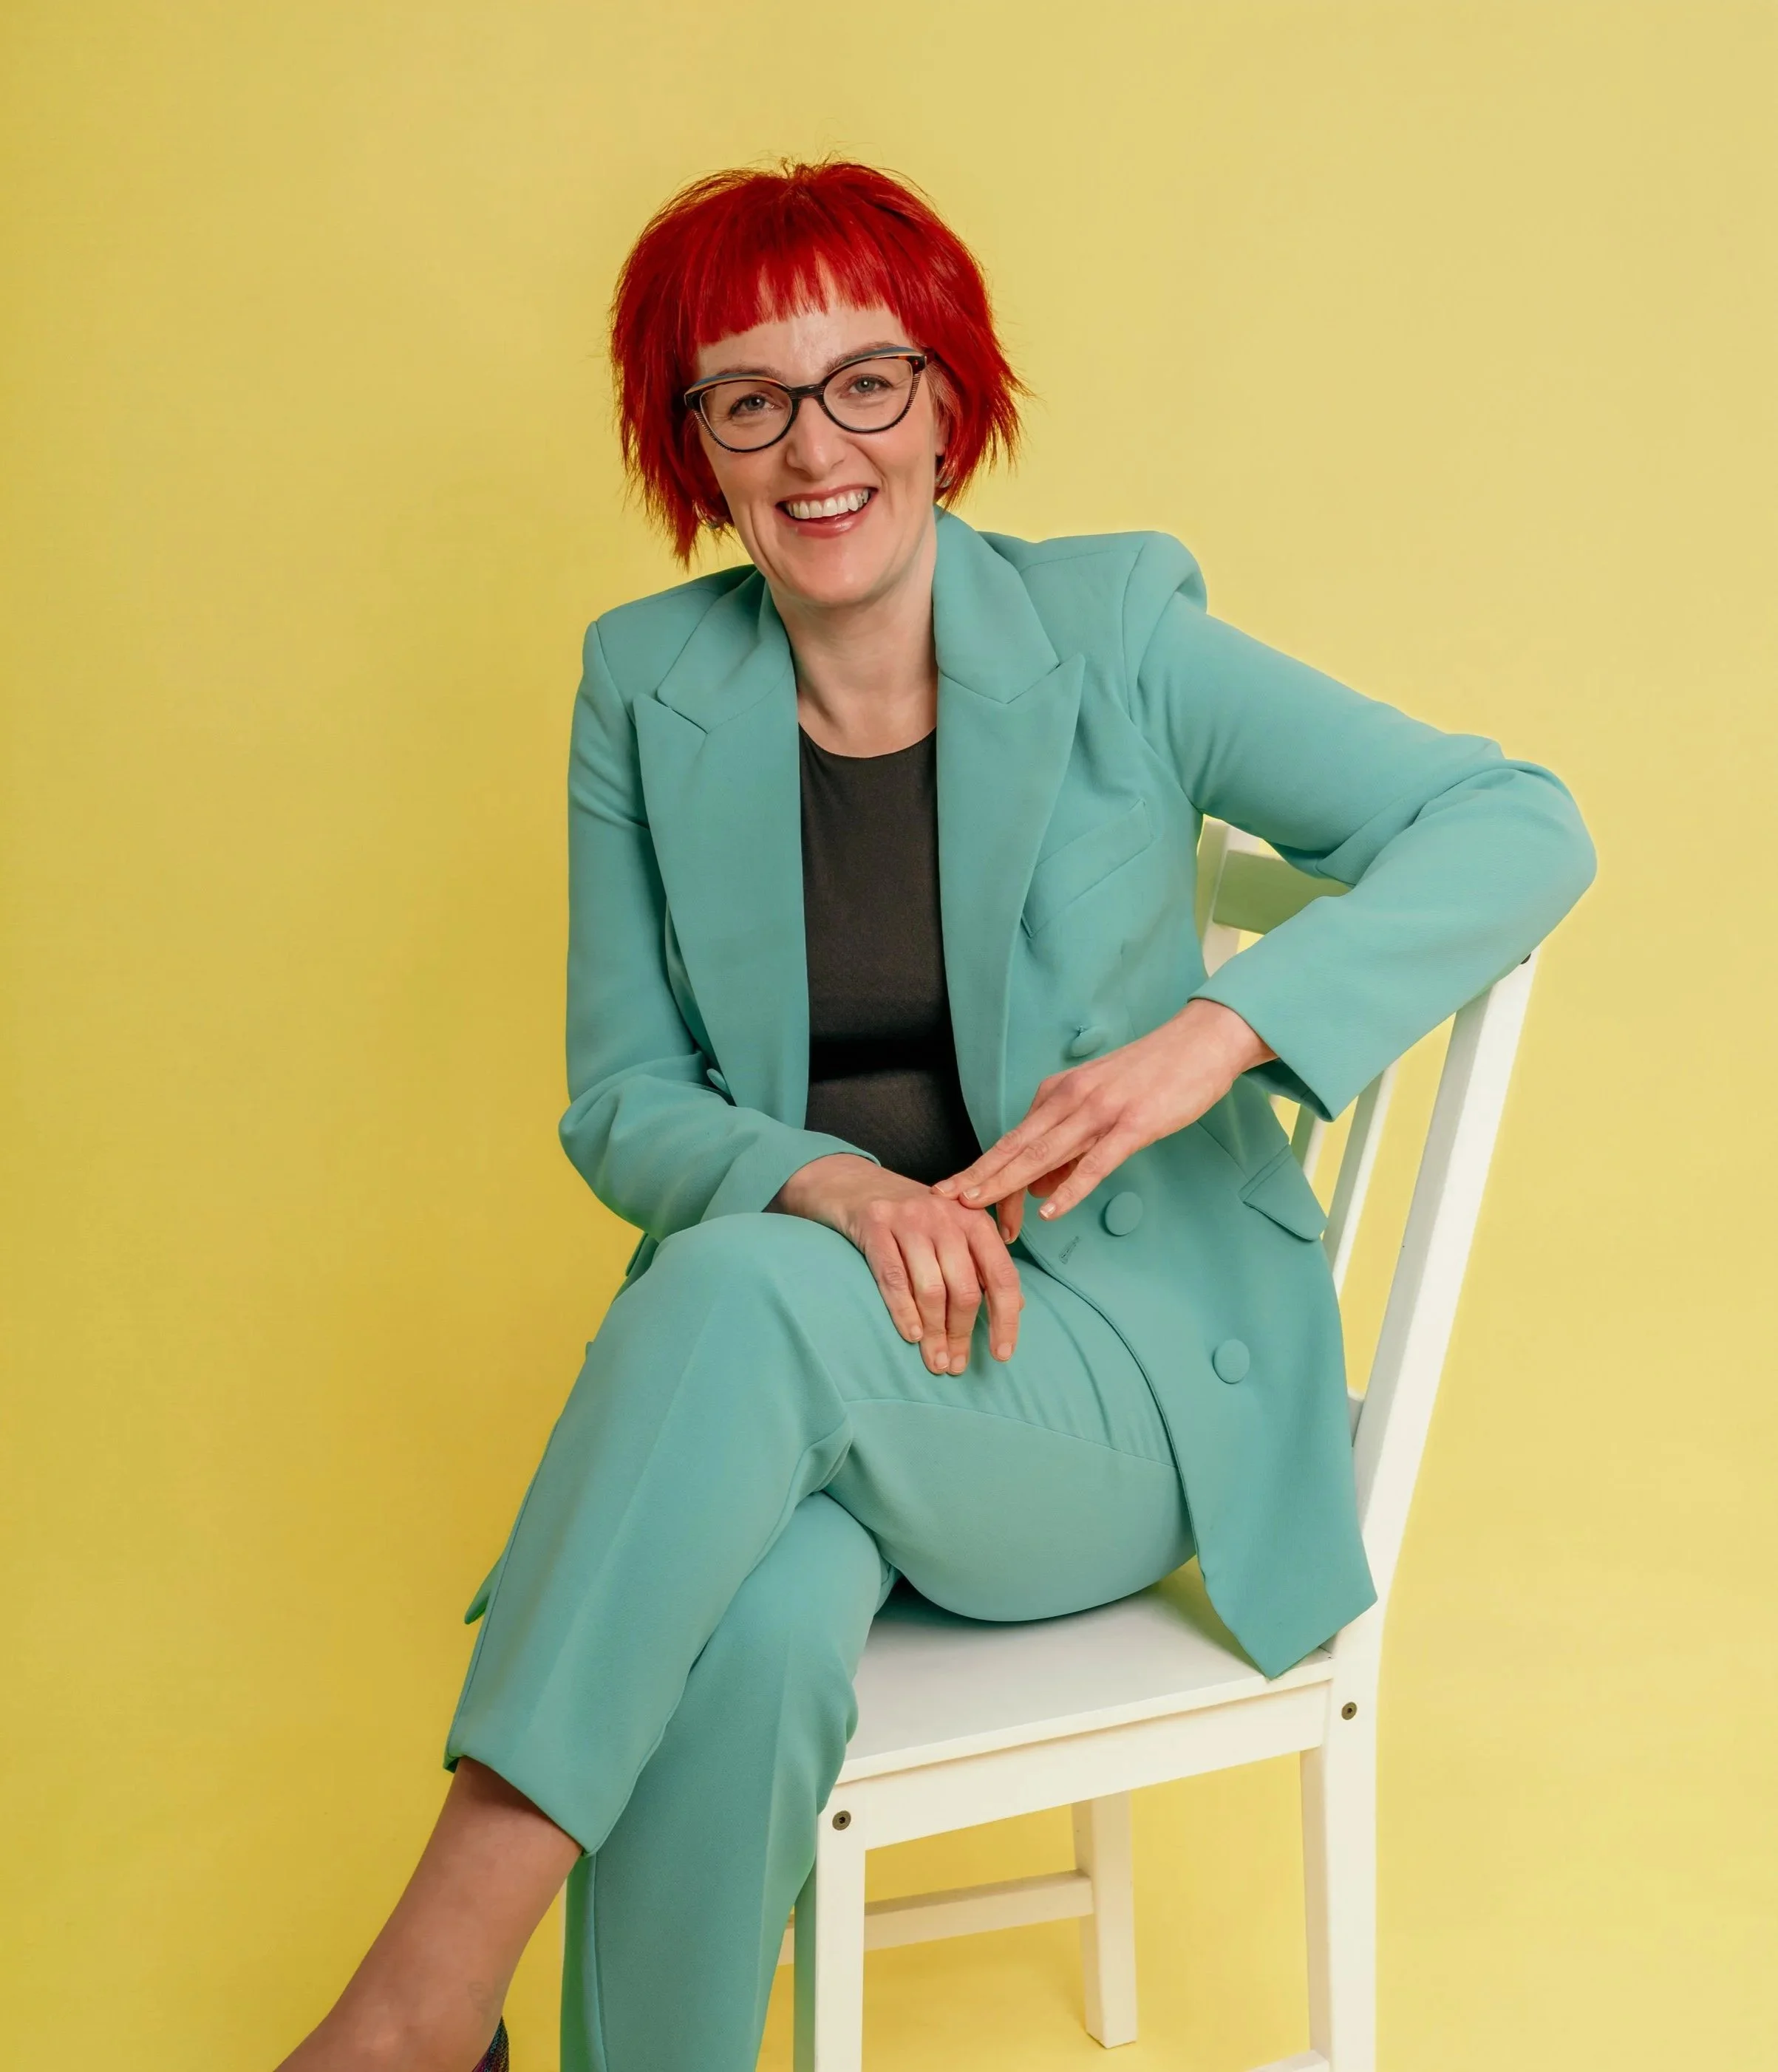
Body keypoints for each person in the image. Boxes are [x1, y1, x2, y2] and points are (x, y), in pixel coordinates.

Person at [276, 159, 1595, 2072]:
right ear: (693, 444)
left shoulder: (1119, 627)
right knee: (733, 1637)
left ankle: (410, 2009)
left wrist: (1220, 1030)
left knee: (729, 1294)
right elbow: (623, 1096)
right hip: (818, 1397)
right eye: (749, 396)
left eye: (864, 381)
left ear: (946, 397)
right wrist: (822, 1178)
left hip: (1114, 1390)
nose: (816, 445)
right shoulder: (645, 688)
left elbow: (1516, 820)